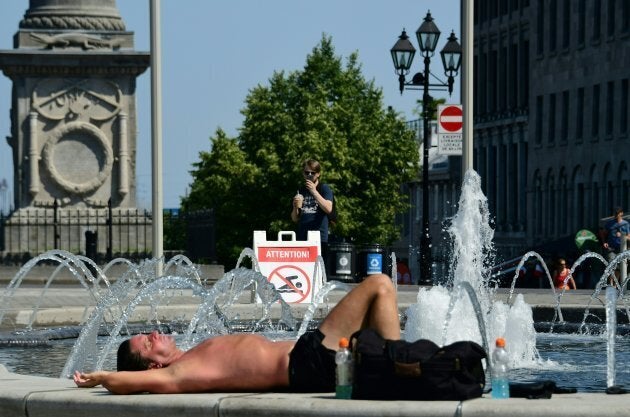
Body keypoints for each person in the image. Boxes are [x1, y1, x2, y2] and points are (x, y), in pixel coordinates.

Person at [73, 273, 400, 394]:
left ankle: (394, 366)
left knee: (376, 309)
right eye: (147, 343)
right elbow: (129, 383)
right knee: (379, 285)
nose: (155, 334)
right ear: (153, 367)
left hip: (308, 355)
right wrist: (103, 376)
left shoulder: (190, 358)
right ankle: (401, 370)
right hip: (307, 363)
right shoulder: (179, 373)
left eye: (148, 334)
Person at [291, 159, 334, 250]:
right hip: (302, 238)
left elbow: (329, 208)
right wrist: (295, 207)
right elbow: (295, 219)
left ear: (318, 174)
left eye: (312, 173)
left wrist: (314, 191)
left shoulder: (324, 188)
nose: (309, 175)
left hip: (319, 239)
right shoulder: (301, 190)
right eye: (307, 172)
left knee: (319, 264)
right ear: (303, 173)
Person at [599, 207, 630, 286]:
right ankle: (611, 283)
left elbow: (629, 237)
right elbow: (603, 233)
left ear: (621, 214)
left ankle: (615, 284)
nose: (616, 215)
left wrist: (623, 236)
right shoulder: (610, 223)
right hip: (611, 248)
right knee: (611, 264)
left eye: (618, 213)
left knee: (620, 267)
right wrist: (604, 242)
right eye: (615, 213)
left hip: (622, 249)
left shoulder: (626, 224)